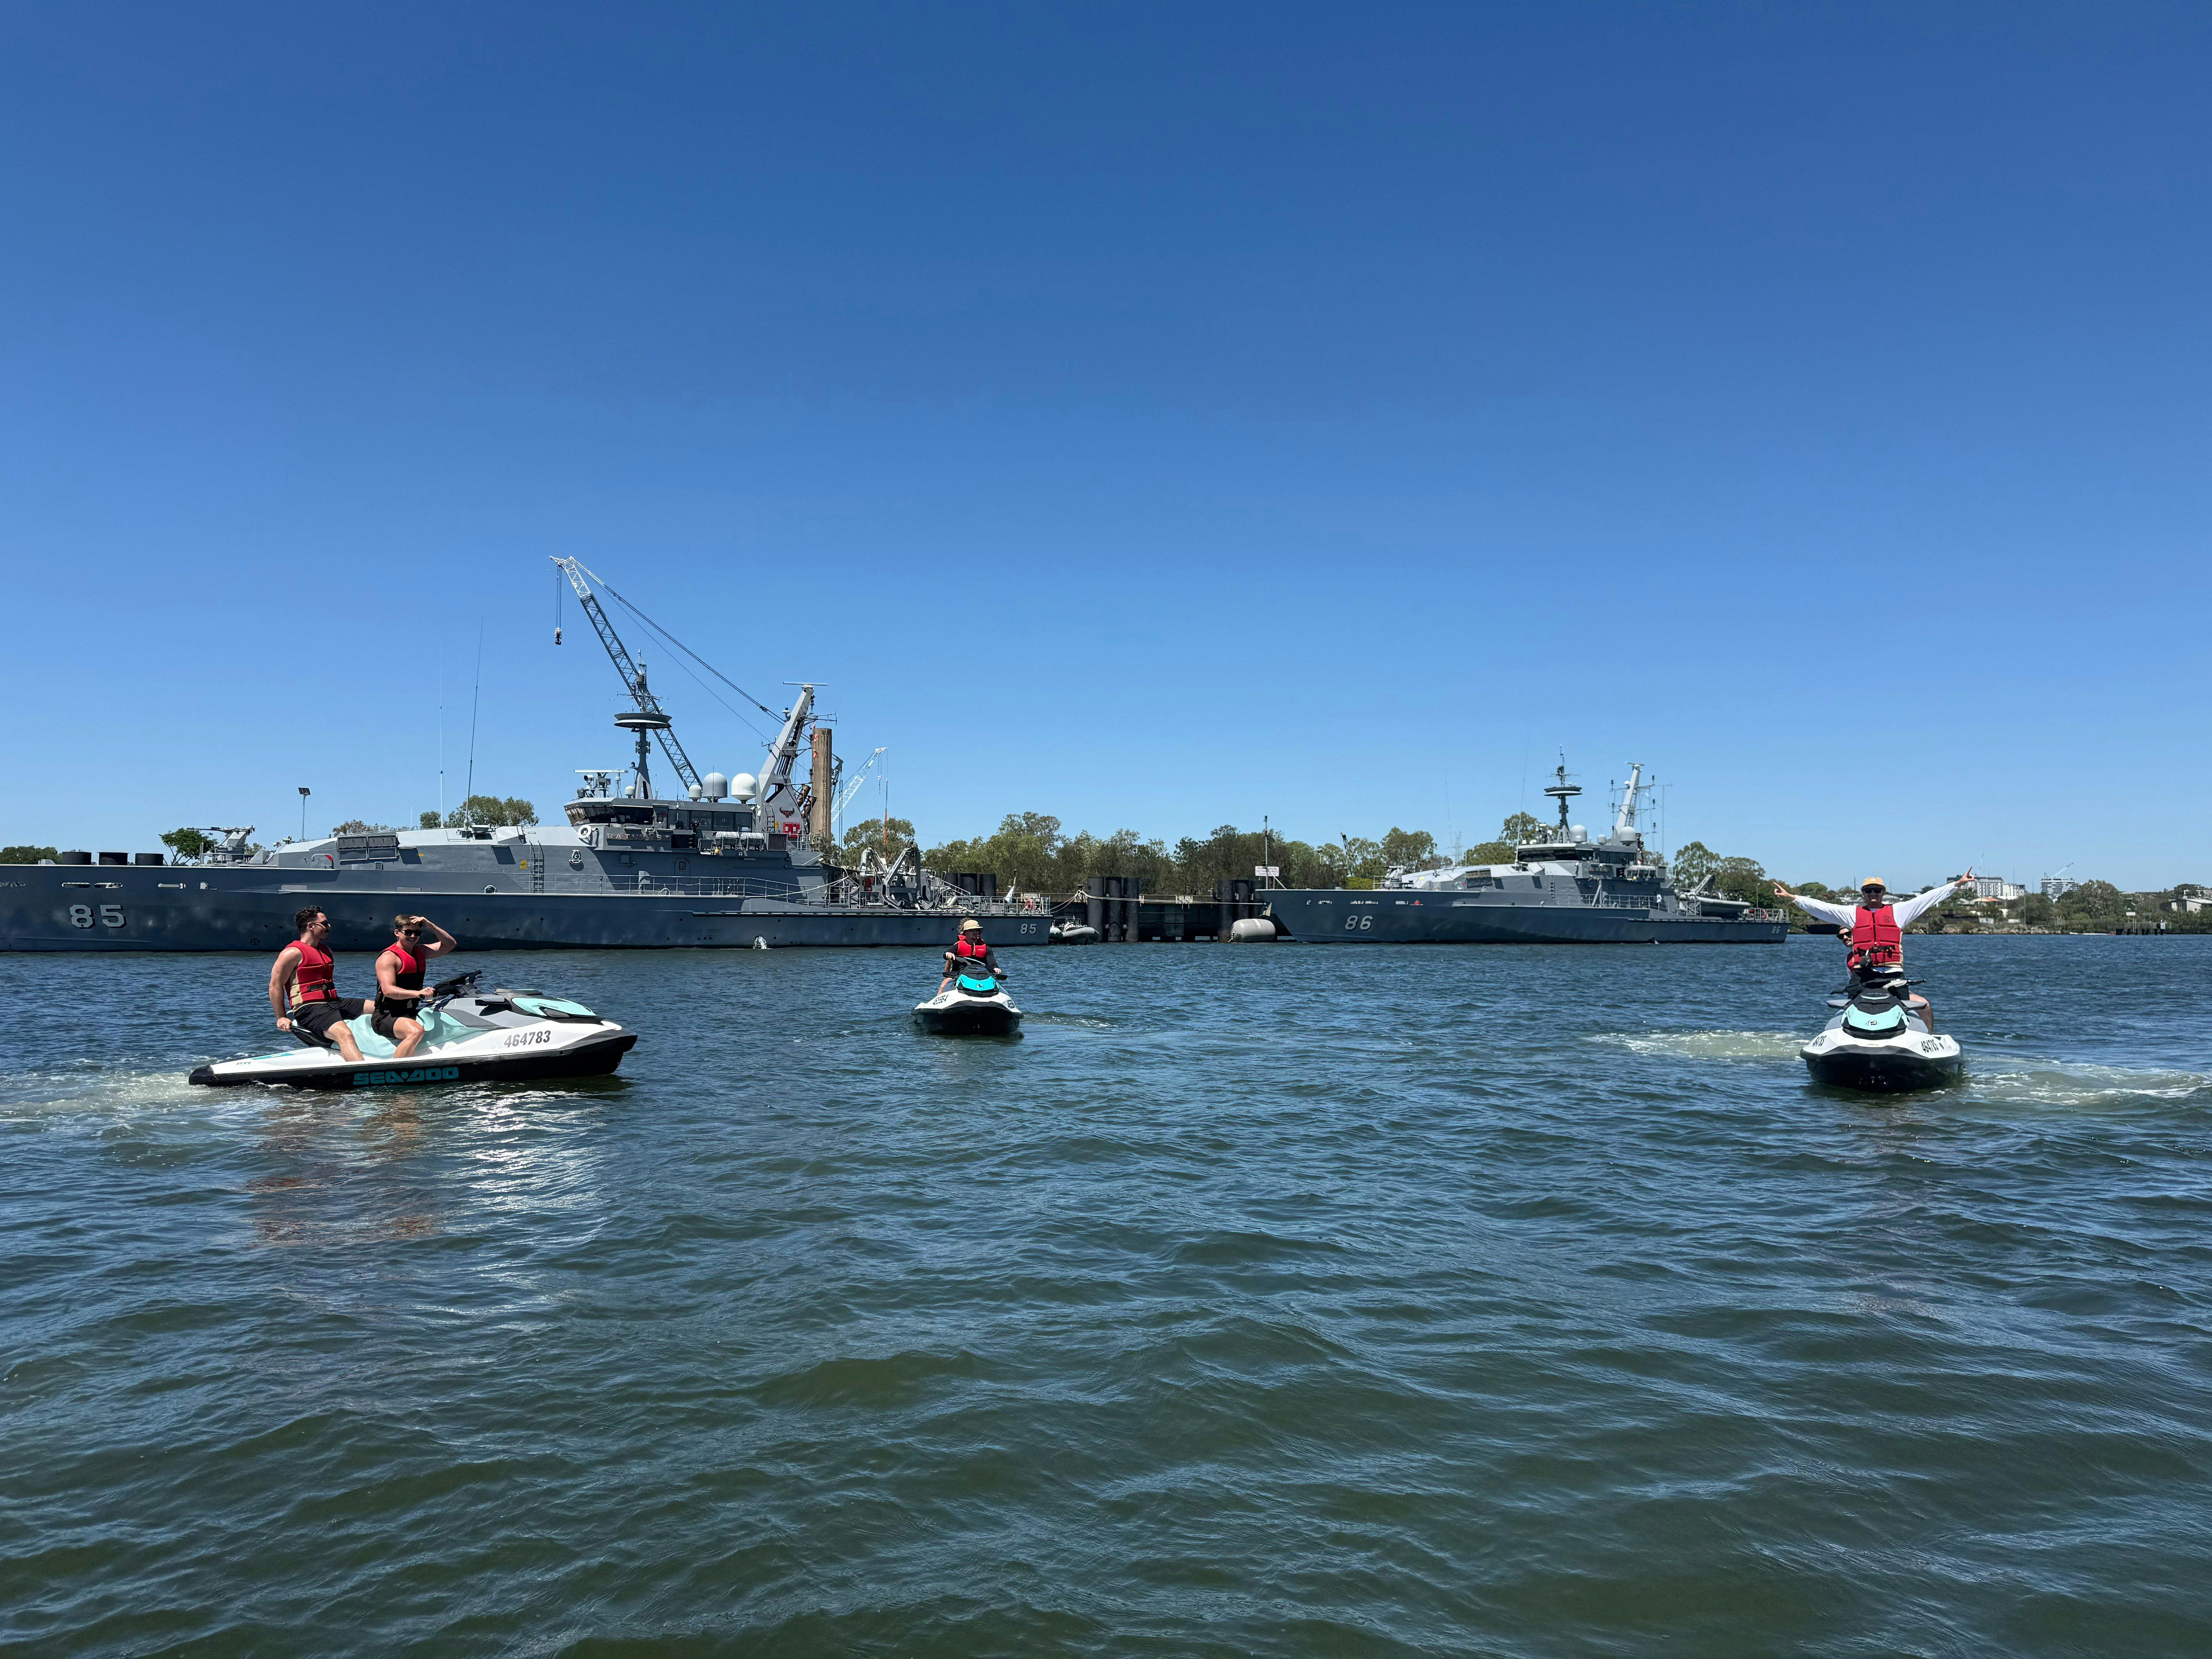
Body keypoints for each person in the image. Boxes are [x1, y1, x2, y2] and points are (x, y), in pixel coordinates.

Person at [1771, 872, 1975, 1031]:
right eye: (1869, 891)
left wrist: (1956, 885)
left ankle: (1925, 1041)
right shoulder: (1852, 914)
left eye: (1877, 890)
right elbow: (1823, 908)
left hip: (1893, 974)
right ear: (1863, 894)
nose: (1873, 894)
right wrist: (1793, 898)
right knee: (1848, 1008)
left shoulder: (1899, 912)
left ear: (1883, 892)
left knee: (1919, 1007)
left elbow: (1927, 899)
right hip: (1863, 975)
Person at [269, 907, 367, 1063]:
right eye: (325, 924)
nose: (329, 927)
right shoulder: (293, 953)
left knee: (381, 1006)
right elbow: (275, 986)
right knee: (344, 1034)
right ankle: (362, 1072)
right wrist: (281, 1017)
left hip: (333, 1002)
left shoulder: (325, 950)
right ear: (311, 927)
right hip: (309, 1008)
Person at [373, 914, 457, 1058]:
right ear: (397, 933)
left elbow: (450, 945)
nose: (413, 936)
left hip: (410, 1012)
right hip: (387, 1016)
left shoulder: (420, 952)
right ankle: (396, 1071)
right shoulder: (389, 958)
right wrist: (418, 993)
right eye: (408, 932)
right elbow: (388, 990)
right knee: (416, 1032)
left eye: (417, 933)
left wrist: (430, 925)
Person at [938, 918, 1005, 993]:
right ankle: (936, 1004)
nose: (976, 933)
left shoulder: (986, 949)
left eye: (977, 930)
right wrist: (948, 954)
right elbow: (947, 954)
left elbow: (993, 964)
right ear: (966, 933)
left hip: (982, 976)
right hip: (958, 975)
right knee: (943, 986)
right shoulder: (958, 946)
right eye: (972, 931)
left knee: (1000, 989)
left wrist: (996, 968)